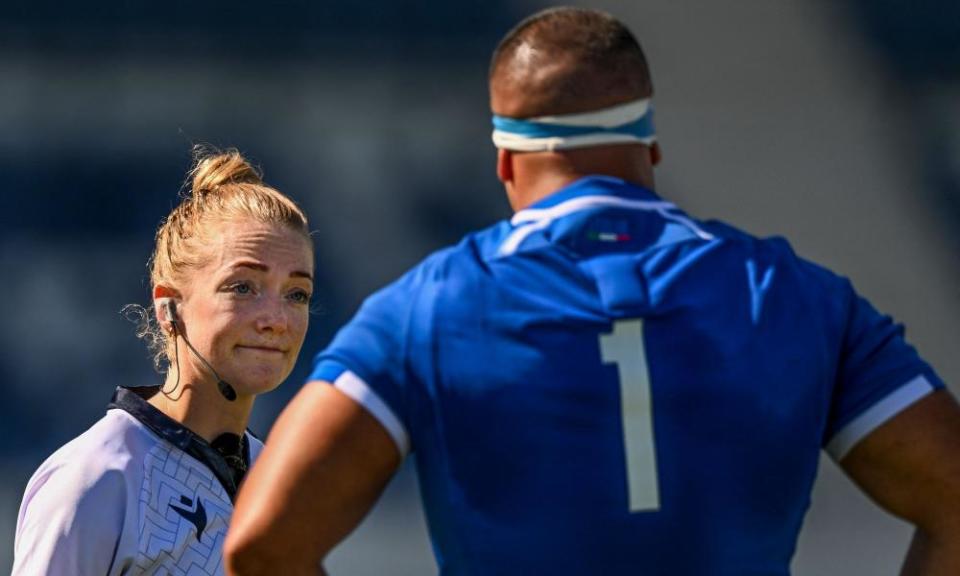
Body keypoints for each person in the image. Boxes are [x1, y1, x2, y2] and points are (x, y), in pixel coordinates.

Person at [225, 7, 960, 576]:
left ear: (505, 162)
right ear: (650, 150)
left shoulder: (428, 308)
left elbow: (261, 544)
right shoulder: (801, 299)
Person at [13, 149, 315, 575]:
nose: (276, 319)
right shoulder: (98, 478)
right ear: (169, 306)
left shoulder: (282, 489)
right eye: (243, 287)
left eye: (296, 294)